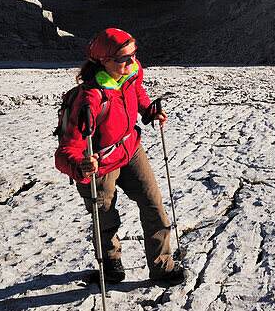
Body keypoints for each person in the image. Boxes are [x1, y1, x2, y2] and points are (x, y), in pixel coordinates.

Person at [55, 27, 186, 286]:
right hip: (99, 163)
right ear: (104, 61)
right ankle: (111, 264)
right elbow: (65, 151)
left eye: (134, 54)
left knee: (154, 207)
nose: (132, 61)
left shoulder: (131, 73)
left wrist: (149, 111)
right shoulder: (90, 98)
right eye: (124, 58)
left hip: (130, 149)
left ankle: (161, 266)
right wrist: (80, 166)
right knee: (105, 218)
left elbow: (136, 94)